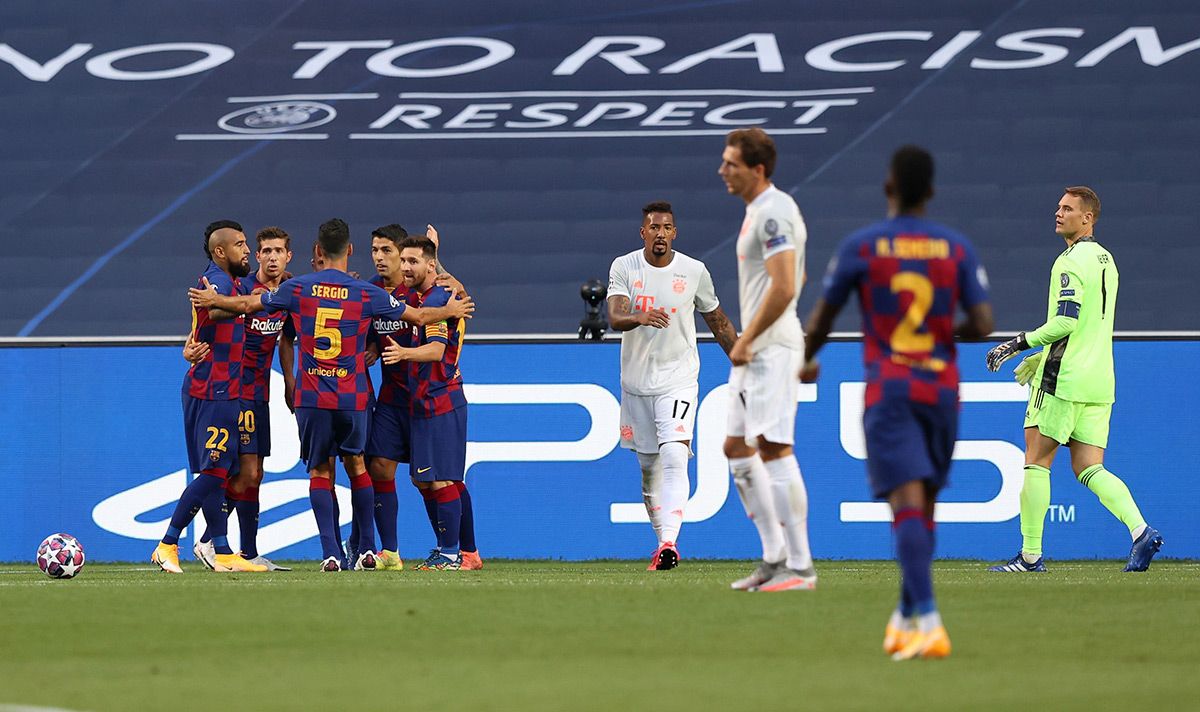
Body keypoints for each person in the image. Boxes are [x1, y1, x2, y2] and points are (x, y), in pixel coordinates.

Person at [189, 219, 473, 571]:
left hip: (312, 397)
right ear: (351, 251)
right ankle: (369, 548)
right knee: (359, 468)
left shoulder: (299, 287)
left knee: (320, 473)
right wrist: (448, 311)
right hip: (354, 396)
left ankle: (332, 553)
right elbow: (418, 315)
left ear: (318, 252)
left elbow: (249, 306)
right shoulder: (366, 291)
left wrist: (215, 300)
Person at [802, 145, 994, 660]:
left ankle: (929, 620)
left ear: (889, 187)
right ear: (930, 191)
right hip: (942, 389)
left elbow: (822, 318)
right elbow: (982, 325)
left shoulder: (863, 247)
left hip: (890, 388)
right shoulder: (956, 248)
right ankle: (903, 618)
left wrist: (802, 360)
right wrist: (939, 339)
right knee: (925, 507)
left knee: (906, 506)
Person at [985, 186, 1163, 573]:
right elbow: (1084, 327)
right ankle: (1140, 531)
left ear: (1089, 217)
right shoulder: (1106, 259)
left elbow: (1066, 320)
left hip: (1063, 379)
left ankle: (1030, 556)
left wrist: (1018, 344)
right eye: (1058, 206)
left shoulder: (1069, 261)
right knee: (1088, 467)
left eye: (1068, 208)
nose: (1058, 212)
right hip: (1099, 379)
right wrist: (1043, 352)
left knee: (1036, 459)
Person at [607, 200, 736, 570]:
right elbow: (615, 317)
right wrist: (640, 316)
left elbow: (719, 322)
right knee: (649, 469)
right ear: (643, 233)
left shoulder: (694, 271)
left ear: (674, 233)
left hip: (678, 379)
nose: (660, 234)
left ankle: (668, 543)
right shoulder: (625, 266)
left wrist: (746, 364)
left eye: (666, 228)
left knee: (676, 454)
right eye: (653, 228)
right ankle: (660, 538)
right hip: (636, 384)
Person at [716, 128, 815, 592]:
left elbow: (785, 285)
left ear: (756, 169)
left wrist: (748, 336)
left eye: (731, 164)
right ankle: (774, 558)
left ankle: (801, 567)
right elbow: (799, 271)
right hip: (758, 345)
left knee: (774, 447)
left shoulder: (774, 210)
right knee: (736, 447)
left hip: (770, 346)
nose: (722, 171)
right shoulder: (759, 211)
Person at [151, 221, 268, 573]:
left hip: (222, 388)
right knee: (214, 472)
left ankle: (223, 551)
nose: (248, 250)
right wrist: (252, 304)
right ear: (221, 251)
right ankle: (168, 543)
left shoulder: (231, 283)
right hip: (211, 389)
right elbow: (215, 310)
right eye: (241, 244)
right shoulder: (216, 279)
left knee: (217, 470)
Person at [188, 226, 294, 571]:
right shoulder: (242, 288)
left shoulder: (289, 292)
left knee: (254, 474)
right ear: (259, 257)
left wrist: (289, 381)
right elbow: (208, 319)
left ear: (288, 256)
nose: (271, 256)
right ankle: (212, 542)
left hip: (259, 392)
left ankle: (246, 551)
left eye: (278, 250)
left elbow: (286, 340)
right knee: (240, 472)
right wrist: (188, 347)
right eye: (265, 250)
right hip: (233, 390)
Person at [381, 235, 477, 571]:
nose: (405, 268)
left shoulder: (436, 300)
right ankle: (461, 551)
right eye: (403, 261)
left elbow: (436, 350)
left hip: (440, 399)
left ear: (429, 265)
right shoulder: (432, 297)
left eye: (413, 262)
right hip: (424, 400)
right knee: (425, 479)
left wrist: (404, 353)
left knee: (440, 479)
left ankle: (451, 553)